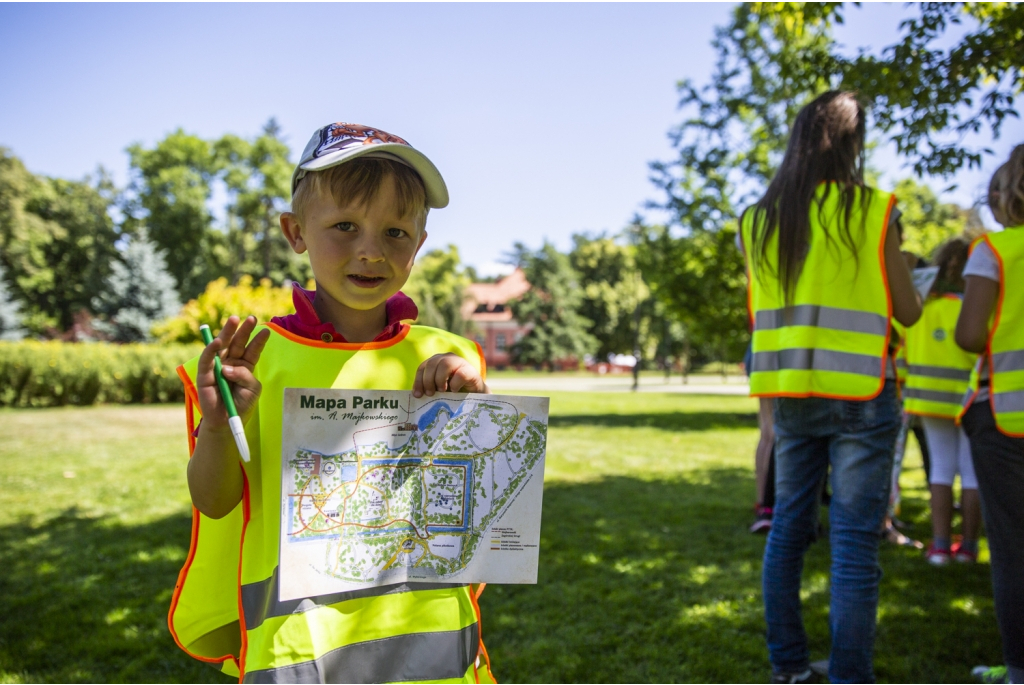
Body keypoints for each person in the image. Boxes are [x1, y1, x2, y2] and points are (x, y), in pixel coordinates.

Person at [167, 122, 496, 684]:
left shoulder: (450, 355)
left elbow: (482, 504)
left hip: (437, 656)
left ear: (418, 245)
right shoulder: (254, 363)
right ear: (295, 232)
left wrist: (469, 411)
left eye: (396, 232)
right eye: (345, 225)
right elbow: (215, 502)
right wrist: (222, 425)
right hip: (299, 653)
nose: (370, 250)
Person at [739, 91, 922, 684]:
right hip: (864, 394)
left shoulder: (760, 218)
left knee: (788, 529)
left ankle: (788, 667)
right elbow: (908, 310)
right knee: (853, 543)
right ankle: (848, 675)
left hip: (792, 394)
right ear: (853, 143)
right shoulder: (874, 212)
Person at [955, 143, 1024, 685]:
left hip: (1006, 419)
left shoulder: (994, 252)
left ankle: (1019, 668)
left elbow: (970, 335)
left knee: (1012, 550)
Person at [901, 238, 981, 565]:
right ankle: (969, 547)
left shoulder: (921, 310)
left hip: (928, 401)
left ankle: (939, 546)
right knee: (972, 472)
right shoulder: (975, 308)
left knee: (941, 469)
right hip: (968, 400)